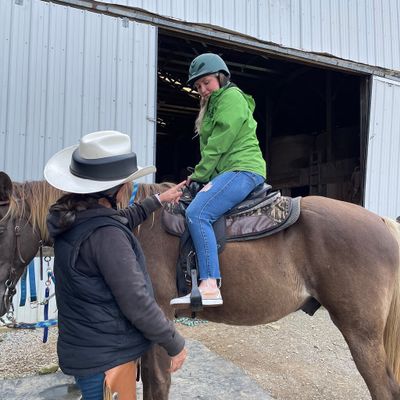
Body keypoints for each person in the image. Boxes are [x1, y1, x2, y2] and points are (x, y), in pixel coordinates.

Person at [44, 130, 187, 400]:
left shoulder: (73, 219)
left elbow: (120, 219)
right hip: (106, 360)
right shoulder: (107, 236)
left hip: (88, 351)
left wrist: (158, 200)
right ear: (118, 190)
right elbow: (137, 300)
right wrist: (174, 343)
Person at [170, 53, 267, 308]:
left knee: (198, 213)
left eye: (207, 82)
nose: (203, 89)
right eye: (198, 86)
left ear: (221, 77)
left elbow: (219, 143)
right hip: (228, 170)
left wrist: (199, 175)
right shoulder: (213, 104)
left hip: (242, 169)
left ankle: (210, 284)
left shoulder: (231, 97)